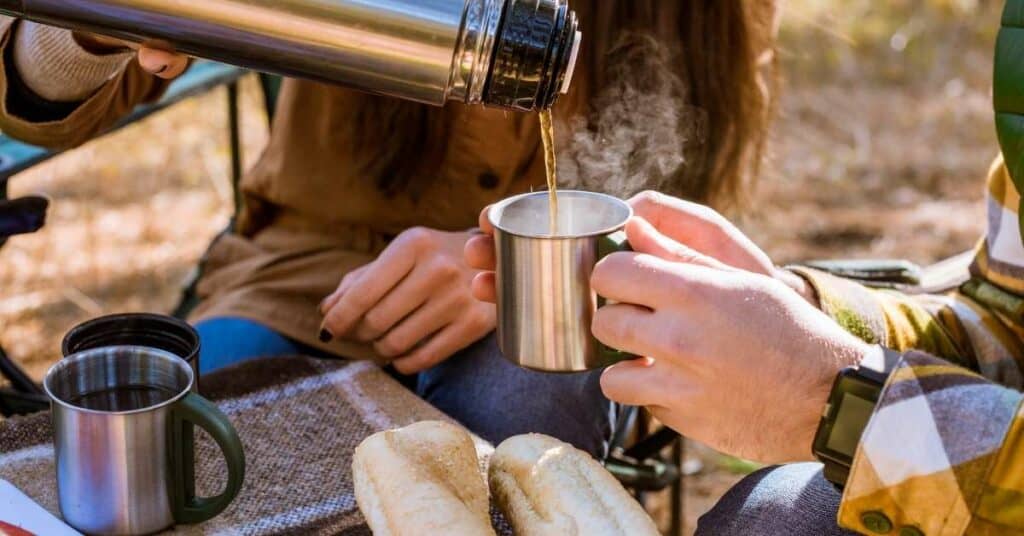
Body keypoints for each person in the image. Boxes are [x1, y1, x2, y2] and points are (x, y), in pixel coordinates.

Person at [0, 2, 778, 455]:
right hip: (297, 277)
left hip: (564, 308)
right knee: (187, 447)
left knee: (528, 417)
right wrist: (96, 29)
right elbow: (41, 96)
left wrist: (514, 271)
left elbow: (680, 212)